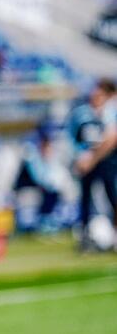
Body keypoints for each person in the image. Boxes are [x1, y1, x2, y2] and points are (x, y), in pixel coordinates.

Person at [68, 78, 117, 250]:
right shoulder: (82, 114)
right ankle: (85, 235)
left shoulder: (110, 112)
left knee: (113, 196)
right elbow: (72, 138)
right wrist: (80, 158)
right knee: (85, 199)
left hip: (107, 161)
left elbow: (111, 139)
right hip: (87, 161)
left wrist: (92, 158)